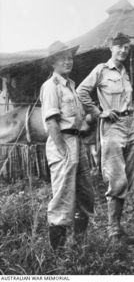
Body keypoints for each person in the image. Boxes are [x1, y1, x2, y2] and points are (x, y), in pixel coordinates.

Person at [76, 32, 134, 246]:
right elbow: (81, 91)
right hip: (112, 127)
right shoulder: (101, 70)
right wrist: (97, 111)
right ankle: (112, 232)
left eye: (126, 48)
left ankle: (118, 228)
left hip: (130, 125)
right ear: (111, 48)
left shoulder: (125, 72)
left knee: (127, 179)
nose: (123, 51)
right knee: (117, 179)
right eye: (119, 47)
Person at [40, 41, 95, 250]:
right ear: (52, 62)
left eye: (70, 57)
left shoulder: (70, 85)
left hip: (76, 141)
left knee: (84, 194)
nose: (68, 61)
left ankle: (80, 245)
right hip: (62, 141)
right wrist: (63, 150)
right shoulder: (51, 86)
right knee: (63, 197)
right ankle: (59, 255)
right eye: (62, 58)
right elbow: (52, 122)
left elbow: (78, 117)